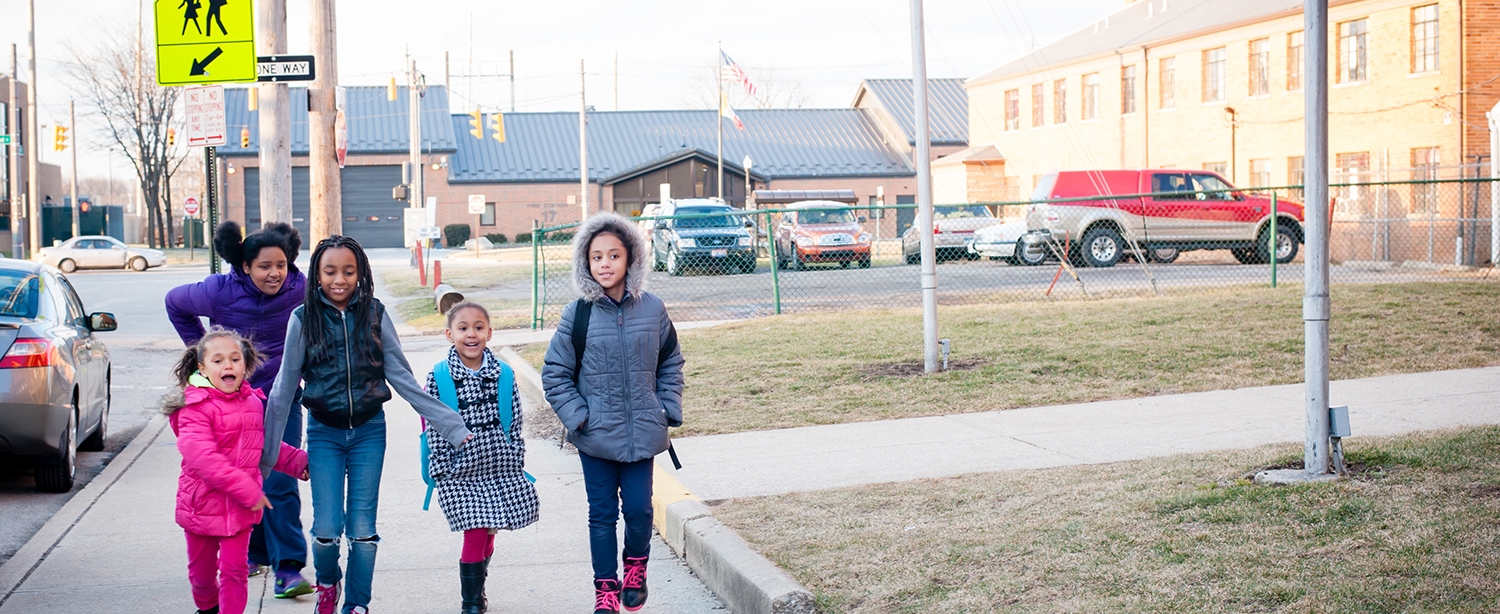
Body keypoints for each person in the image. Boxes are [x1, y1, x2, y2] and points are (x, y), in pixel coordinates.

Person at [260, 235, 473, 614]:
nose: (339, 279)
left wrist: (451, 425)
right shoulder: (302, 319)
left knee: (362, 530)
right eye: (330, 271)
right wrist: (267, 454)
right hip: (324, 433)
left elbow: (402, 378)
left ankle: (357, 604)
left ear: (360, 273)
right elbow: (283, 388)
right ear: (317, 274)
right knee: (325, 532)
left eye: (348, 271)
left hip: (369, 433)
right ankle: (328, 582)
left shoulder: (374, 313)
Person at [541, 213, 684, 614]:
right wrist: (580, 418)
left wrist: (666, 406)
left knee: (640, 510)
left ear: (631, 259)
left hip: (643, 432)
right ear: (585, 263)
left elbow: (671, 361)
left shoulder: (653, 309)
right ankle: (605, 590)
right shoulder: (578, 315)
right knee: (601, 515)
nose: (604, 264)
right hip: (596, 435)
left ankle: (635, 567)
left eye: (613, 255)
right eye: (596, 257)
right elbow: (555, 373)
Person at [165, 221, 314, 599]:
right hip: (230, 399)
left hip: (280, 399)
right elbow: (174, 302)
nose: (274, 273)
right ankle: (254, 552)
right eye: (264, 266)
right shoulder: (219, 290)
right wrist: (204, 354)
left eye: (280, 264)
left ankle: (288, 569)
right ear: (245, 266)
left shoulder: (300, 287)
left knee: (278, 482)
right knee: (238, 475)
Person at [164, 328, 309, 614]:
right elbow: (200, 455)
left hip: (240, 510)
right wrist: (246, 489)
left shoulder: (253, 403)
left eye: (234, 359)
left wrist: (301, 463)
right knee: (202, 578)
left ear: (246, 365)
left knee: (234, 572)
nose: (227, 365)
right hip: (201, 507)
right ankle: (207, 608)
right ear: (202, 368)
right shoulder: (195, 407)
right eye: (217, 361)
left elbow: (264, 447)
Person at [423, 301, 539, 614]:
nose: (471, 334)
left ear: (489, 332)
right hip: (460, 472)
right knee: (475, 529)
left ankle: (479, 582)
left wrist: (516, 457)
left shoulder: (503, 374)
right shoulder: (439, 377)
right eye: (463, 328)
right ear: (450, 334)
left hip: (499, 467)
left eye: (478, 327)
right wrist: (442, 469)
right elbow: (434, 428)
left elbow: (515, 421)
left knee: (490, 528)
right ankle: (471, 603)